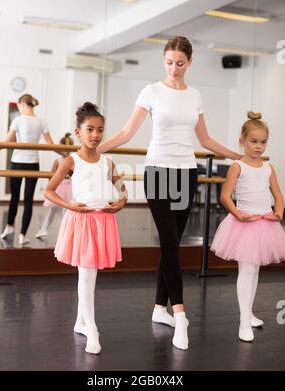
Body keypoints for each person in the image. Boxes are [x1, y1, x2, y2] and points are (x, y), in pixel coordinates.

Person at [96, 36, 241, 351]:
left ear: (189, 63)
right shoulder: (151, 91)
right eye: (168, 62)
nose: (173, 68)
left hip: (187, 172)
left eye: (179, 63)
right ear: (163, 61)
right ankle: (181, 314)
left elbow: (204, 139)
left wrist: (236, 155)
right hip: (158, 172)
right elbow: (126, 132)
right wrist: (90, 149)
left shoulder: (195, 95)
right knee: (170, 242)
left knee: (171, 242)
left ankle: (159, 308)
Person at [45, 102, 127, 355]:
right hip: (82, 221)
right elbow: (49, 190)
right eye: (90, 129)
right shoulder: (71, 161)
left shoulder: (108, 162)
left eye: (100, 130)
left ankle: (81, 322)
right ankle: (92, 328)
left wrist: (121, 202)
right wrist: (69, 205)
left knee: (89, 275)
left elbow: (122, 190)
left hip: (103, 221)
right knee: (87, 275)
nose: (95, 135)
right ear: (78, 132)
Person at [211, 111, 285, 342]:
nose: (259, 147)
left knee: (255, 272)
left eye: (263, 142)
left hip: (264, 224)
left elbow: (278, 195)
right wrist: (238, 214)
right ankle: (244, 322)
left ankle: (249, 313)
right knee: (247, 270)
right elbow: (225, 196)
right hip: (244, 224)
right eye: (253, 142)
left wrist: (279, 212)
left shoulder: (267, 168)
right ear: (241, 142)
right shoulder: (237, 166)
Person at [0, 94, 59, 245]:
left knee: (14, 197)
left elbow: (6, 142)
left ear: (22, 104)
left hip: (18, 162)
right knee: (28, 200)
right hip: (33, 163)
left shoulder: (18, 120)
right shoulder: (41, 121)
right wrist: (66, 154)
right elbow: (51, 144)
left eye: (18, 105)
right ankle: (22, 235)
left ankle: (9, 227)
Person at [36, 132, 74, 239]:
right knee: (59, 211)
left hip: (64, 188)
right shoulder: (68, 161)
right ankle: (44, 230)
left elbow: (51, 176)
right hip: (64, 188)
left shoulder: (60, 161)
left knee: (63, 212)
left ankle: (66, 233)